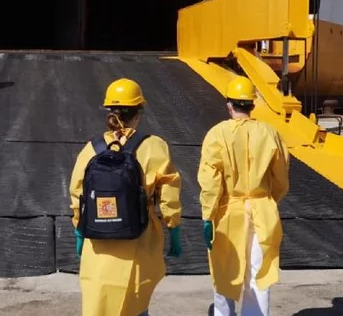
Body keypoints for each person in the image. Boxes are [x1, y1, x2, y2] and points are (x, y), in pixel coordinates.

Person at [69, 78, 183, 316]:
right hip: (139, 238)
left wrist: (79, 229)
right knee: (135, 303)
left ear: (109, 112)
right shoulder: (153, 146)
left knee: (100, 303)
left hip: (98, 241)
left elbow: (77, 192)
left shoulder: (92, 149)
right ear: (138, 114)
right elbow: (169, 192)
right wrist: (173, 227)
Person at [198, 76, 291, 316]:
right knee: (259, 276)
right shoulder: (271, 133)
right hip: (262, 211)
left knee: (224, 273)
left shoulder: (217, 134)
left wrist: (208, 215)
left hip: (229, 212)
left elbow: (211, 182)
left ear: (229, 104)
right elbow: (280, 179)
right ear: (252, 104)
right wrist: (267, 201)